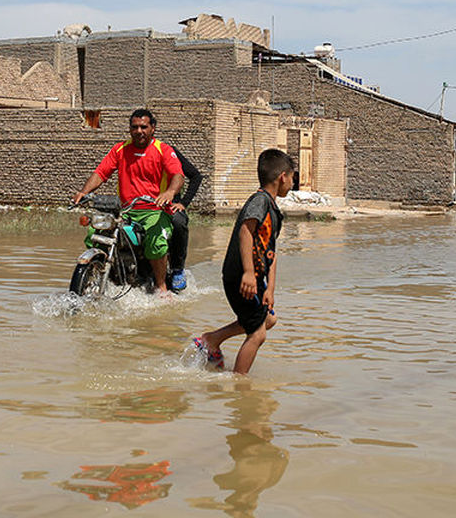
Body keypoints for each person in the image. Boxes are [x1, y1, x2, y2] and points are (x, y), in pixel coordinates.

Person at [192, 148, 296, 375]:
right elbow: (245, 232)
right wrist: (249, 273)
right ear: (283, 177)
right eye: (292, 177)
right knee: (258, 334)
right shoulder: (260, 201)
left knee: (268, 319)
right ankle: (239, 387)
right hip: (242, 276)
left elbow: (271, 254)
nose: (292, 183)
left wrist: (271, 289)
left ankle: (211, 339)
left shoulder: (273, 209)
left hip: (256, 278)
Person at [73, 108, 185, 296]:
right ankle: (100, 274)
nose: (139, 131)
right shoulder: (120, 149)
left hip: (154, 210)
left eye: (143, 127)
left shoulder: (163, 150)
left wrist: (170, 192)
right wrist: (84, 193)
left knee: (156, 241)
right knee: (95, 231)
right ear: (130, 129)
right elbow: (101, 173)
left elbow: (178, 176)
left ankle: (161, 286)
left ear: (153, 128)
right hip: (125, 212)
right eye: (135, 127)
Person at [164, 143, 203, 293]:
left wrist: (183, 203)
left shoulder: (168, 152)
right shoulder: (128, 151)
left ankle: (177, 269)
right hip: (140, 205)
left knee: (179, 222)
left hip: (169, 205)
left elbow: (195, 176)